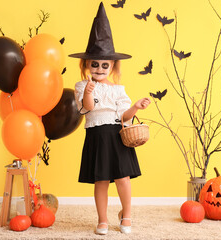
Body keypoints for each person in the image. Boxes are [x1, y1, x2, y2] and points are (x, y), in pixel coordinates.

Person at [69, 2, 150, 235]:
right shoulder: (82, 85)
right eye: (95, 64)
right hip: (96, 135)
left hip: (116, 135)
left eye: (105, 65)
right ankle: (102, 220)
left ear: (112, 66)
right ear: (87, 64)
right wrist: (88, 93)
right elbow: (86, 109)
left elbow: (124, 117)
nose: (100, 69)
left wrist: (135, 107)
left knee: (123, 178)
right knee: (101, 180)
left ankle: (127, 215)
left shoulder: (118, 89)